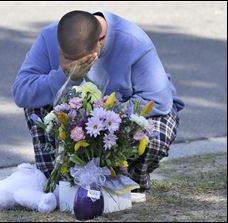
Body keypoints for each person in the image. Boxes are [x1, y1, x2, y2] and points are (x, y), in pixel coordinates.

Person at [12, 10, 185, 202]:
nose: (73, 65)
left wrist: (104, 115)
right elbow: (21, 92)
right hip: (75, 116)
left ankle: (132, 182)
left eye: (82, 60)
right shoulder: (49, 36)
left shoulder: (134, 42)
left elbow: (159, 100)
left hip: (118, 117)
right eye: (66, 57)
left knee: (157, 130)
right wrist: (63, 75)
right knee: (36, 103)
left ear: (100, 41)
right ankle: (57, 182)